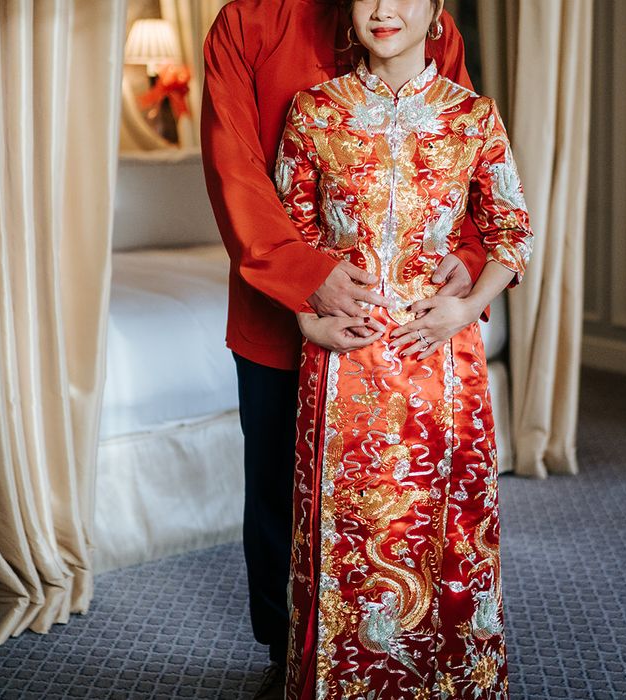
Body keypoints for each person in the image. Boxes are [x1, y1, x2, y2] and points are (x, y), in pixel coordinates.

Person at [201, 2, 492, 698]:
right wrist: (307, 281)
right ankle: (287, 660)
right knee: (280, 489)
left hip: (401, 328)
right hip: (279, 313)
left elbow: (460, 160)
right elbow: (234, 167)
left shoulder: (423, 22)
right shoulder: (246, 22)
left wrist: (468, 255)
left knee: (412, 500)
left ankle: (408, 663)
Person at [274, 0, 533, 697]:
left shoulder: (473, 116)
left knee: (446, 537)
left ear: (437, 11)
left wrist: (467, 308)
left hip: (442, 362)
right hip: (342, 364)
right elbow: (287, 241)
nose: (384, 10)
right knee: (343, 537)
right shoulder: (313, 112)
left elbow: (512, 234)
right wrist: (309, 326)